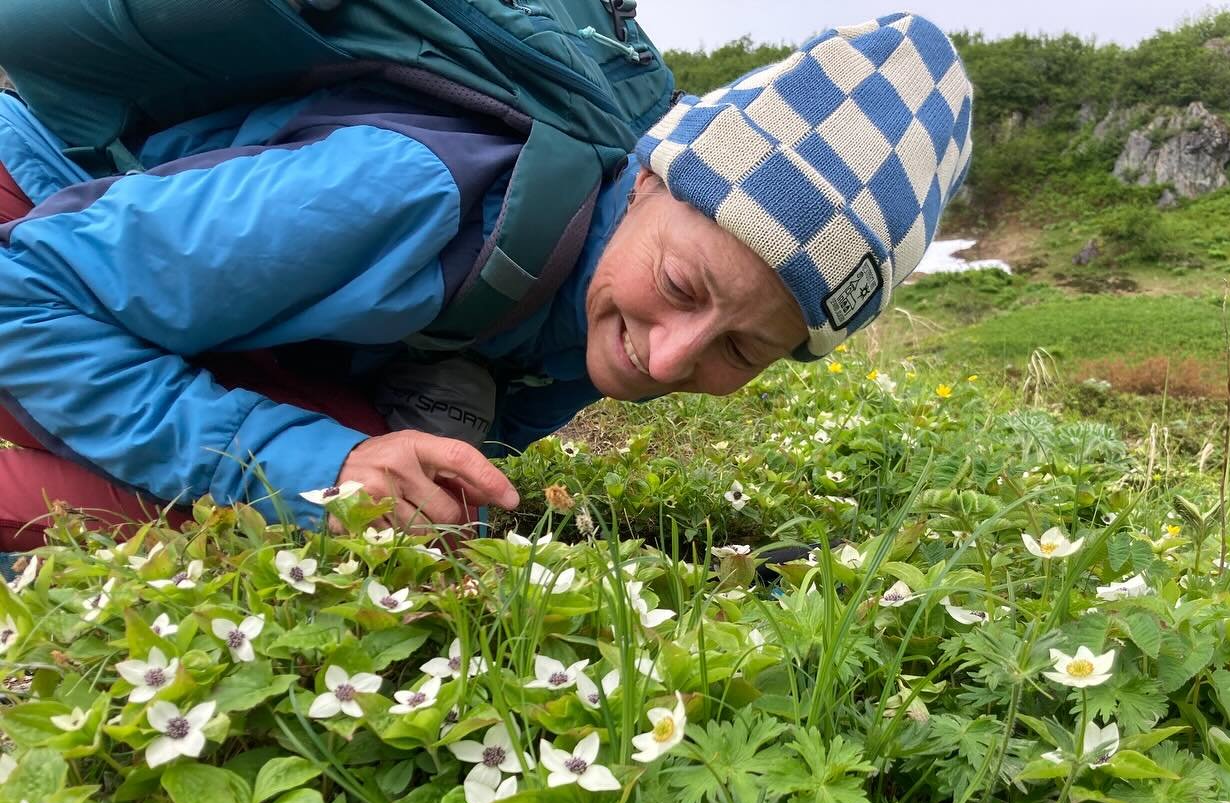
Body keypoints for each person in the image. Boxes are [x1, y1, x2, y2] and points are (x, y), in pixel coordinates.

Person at [0, 12, 971, 549]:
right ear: (644, 182)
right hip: (35, 212)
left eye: (742, 348)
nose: (671, 357)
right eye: (682, 285)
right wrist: (311, 466)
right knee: (185, 518)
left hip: (161, 300)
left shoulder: (592, 316)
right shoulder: (415, 195)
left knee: (384, 513)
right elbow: (26, 294)